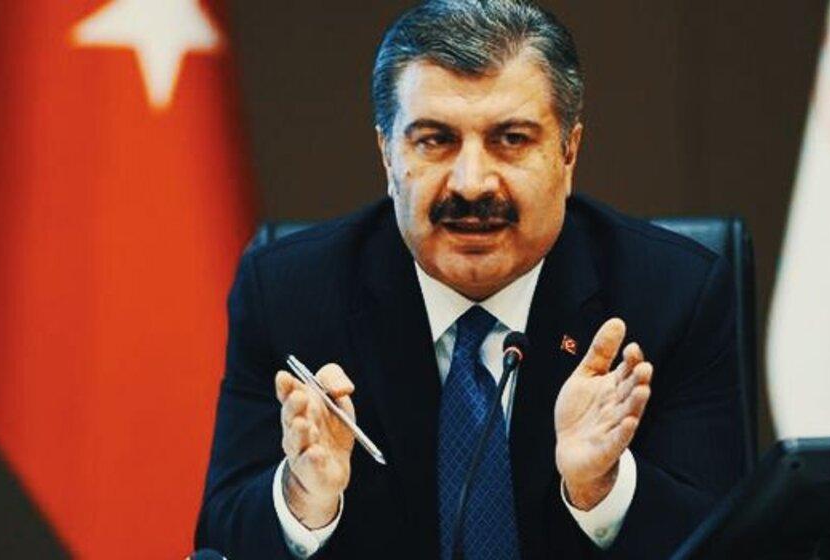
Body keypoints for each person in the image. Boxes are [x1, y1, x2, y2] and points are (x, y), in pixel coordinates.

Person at [195, 1, 744, 558]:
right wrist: (304, 497)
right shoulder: (289, 292)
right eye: (435, 140)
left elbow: (725, 541)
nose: (472, 183)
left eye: (511, 139)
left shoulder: (673, 294)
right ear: (388, 155)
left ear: (568, 153)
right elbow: (219, 542)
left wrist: (603, 489)